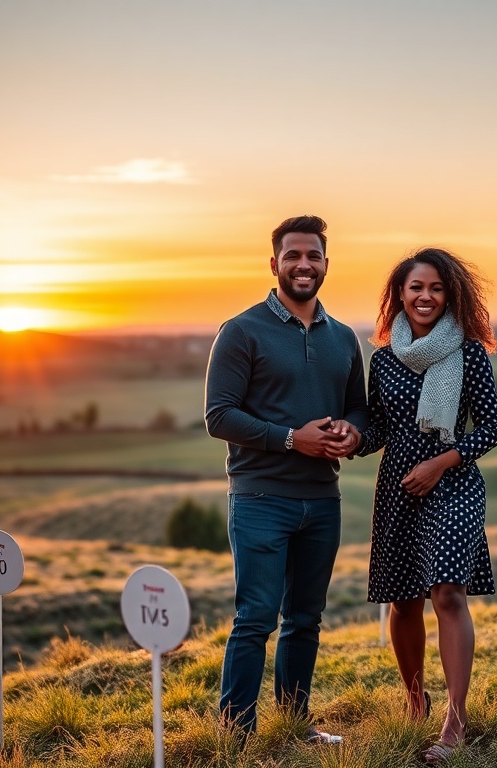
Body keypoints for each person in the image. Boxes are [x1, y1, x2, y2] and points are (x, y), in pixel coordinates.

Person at [204, 215, 367, 741]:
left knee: (305, 618)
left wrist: (352, 432)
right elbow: (219, 416)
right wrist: (294, 439)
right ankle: (236, 735)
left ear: (326, 264)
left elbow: (359, 409)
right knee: (255, 618)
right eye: (292, 255)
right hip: (260, 498)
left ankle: (295, 728)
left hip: (322, 499)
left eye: (313, 255)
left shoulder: (344, 338)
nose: (303, 264)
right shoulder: (241, 331)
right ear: (274, 263)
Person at [351, 247, 497, 763]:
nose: (426, 296)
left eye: (436, 288)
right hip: (398, 485)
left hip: (454, 482)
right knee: (403, 600)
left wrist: (440, 463)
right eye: (416, 287)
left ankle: (455, 721)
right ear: (400, 293)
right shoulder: (384, 359)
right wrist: (352, 437)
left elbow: (491, 430)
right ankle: (416, 702)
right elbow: (378, 428)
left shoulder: (469, 354)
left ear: (450, 295)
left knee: (448, 594)